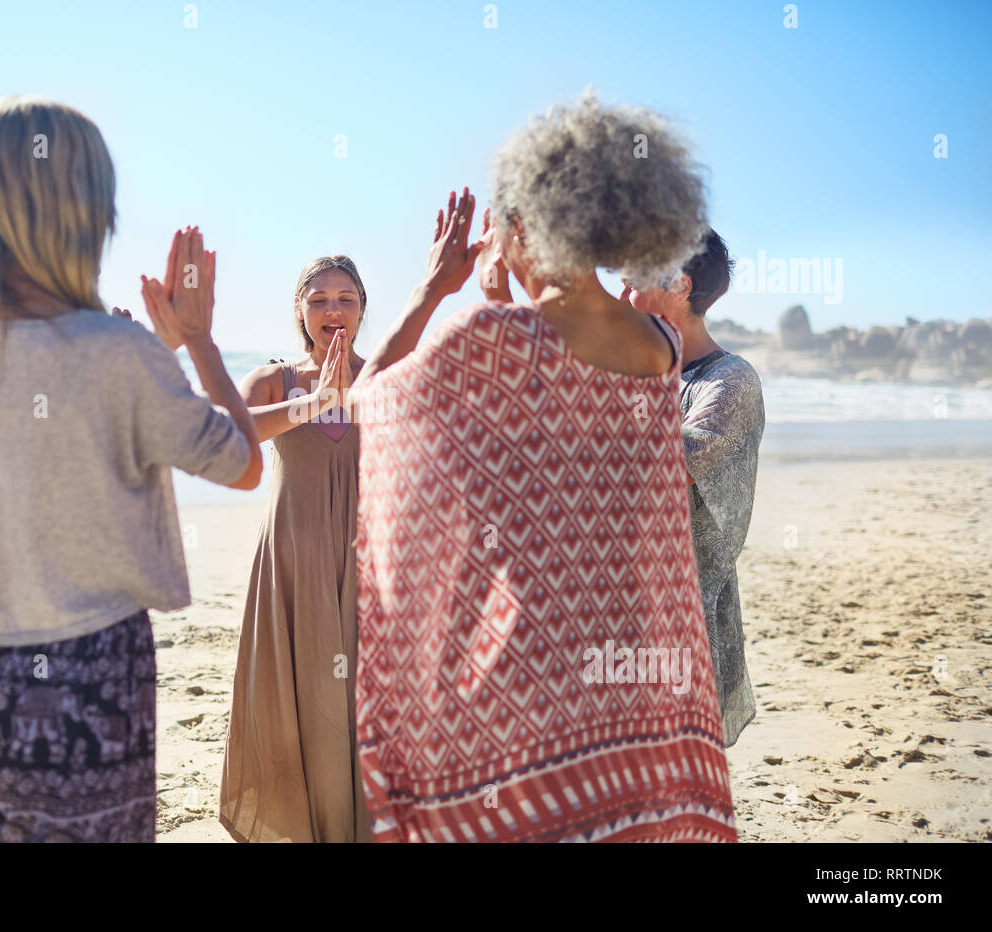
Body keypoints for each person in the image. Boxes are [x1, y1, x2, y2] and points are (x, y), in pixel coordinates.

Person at [348, 91, 738, 842]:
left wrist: (439, 291)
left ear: (520, 228)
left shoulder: (492, 342)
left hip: (530, 665)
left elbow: (369, 406)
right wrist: (500, 302)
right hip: (632, 664)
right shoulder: (658, 343)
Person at [0, 96, 261, 842]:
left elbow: (64, 433)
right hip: (87, 684)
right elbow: (242, 464)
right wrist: (196, 342)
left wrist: (148, 358)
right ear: (89, 217)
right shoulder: (118, 355)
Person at [219, 256, 374, 842]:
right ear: (299, 310)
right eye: (319, 300)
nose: (332, 311)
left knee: (361, 699)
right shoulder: (274, 379)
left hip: (367, 560)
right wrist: (311, 402)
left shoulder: (386, 374)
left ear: (362, 308)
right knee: (299, 697)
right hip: (292, 558)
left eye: (346, 299)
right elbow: (229, 432)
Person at [622, 230, 764, 746]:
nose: (623, 296)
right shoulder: (634, 371)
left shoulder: (729, 381)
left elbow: (664, 466)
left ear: (680, 286)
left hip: (681, 617)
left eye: (633, 282)